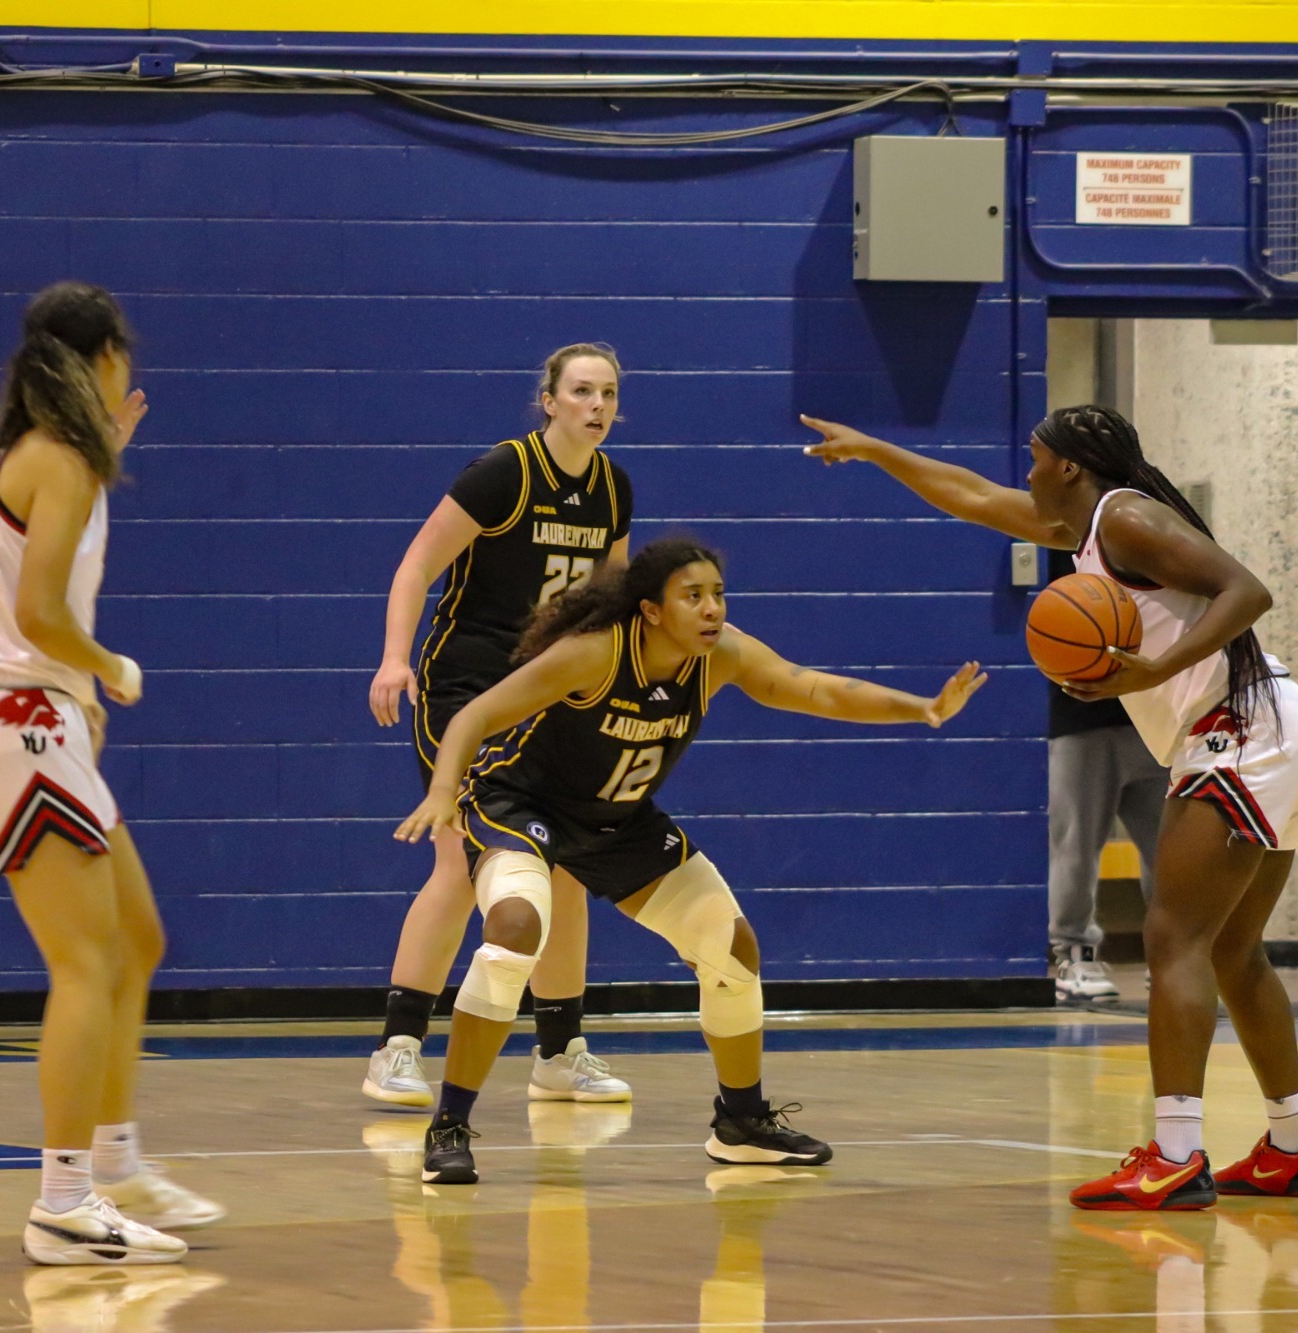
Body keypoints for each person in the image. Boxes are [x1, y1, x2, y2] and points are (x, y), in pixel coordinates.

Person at [805, 406, 1298, 1211]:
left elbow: (1246, 589)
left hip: (1243, 726)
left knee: (1172, 936)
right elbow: (975, 498)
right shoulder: (1093, 527)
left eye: (1034, 456)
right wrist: (877, 449)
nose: (1023, 469)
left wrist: (1149, 670)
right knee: (1229, 949)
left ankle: (1174, 1155)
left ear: (1070, 466)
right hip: (1269, 728)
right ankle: (1293, 1147)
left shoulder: (1126, 515)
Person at [395, 537, 986, 1184]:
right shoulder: (595, 652)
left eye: (718, 594)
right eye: (694, 596)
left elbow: (814, 689)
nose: (712, 609)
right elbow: (473, 716)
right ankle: (449, 1126)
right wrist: (443, 792)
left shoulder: (721, 654)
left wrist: (922, 708)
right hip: (521, 805)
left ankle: (741, 1122)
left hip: (617, 821)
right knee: (514, 933)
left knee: (731, 944)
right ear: (650, 610)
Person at [0, 281, 221, 1264]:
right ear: (103, 357)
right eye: (124, 356)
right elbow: (36, 618)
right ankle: (63, 1198)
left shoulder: (31, 459)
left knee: (134, 940)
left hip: (24, 712)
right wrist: (108, 670)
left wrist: (68, 686)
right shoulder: (55, 458)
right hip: (21, 717)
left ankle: (115, 1160)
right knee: (84, 961)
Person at [366, 344, 635, 1108]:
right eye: (581, 391)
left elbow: (607, 609)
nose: (597, 405)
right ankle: (397, 1046)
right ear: (548, 400)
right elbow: (416, 565)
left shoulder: (614, 489)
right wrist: (394, 659)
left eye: (608, 393)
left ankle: (560, 1051)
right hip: (465, 691)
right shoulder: (505, 475)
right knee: (461, 861)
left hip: (548, 701)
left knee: (569, 868)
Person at [1043, 548, 1166, 1003]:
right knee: (1075, 844)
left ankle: (1172, 956)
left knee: (1171, 850)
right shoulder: (1053, 542)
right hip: (1077, 717)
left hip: (1153, 715)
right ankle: (1073, 954)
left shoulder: (1148, 534)